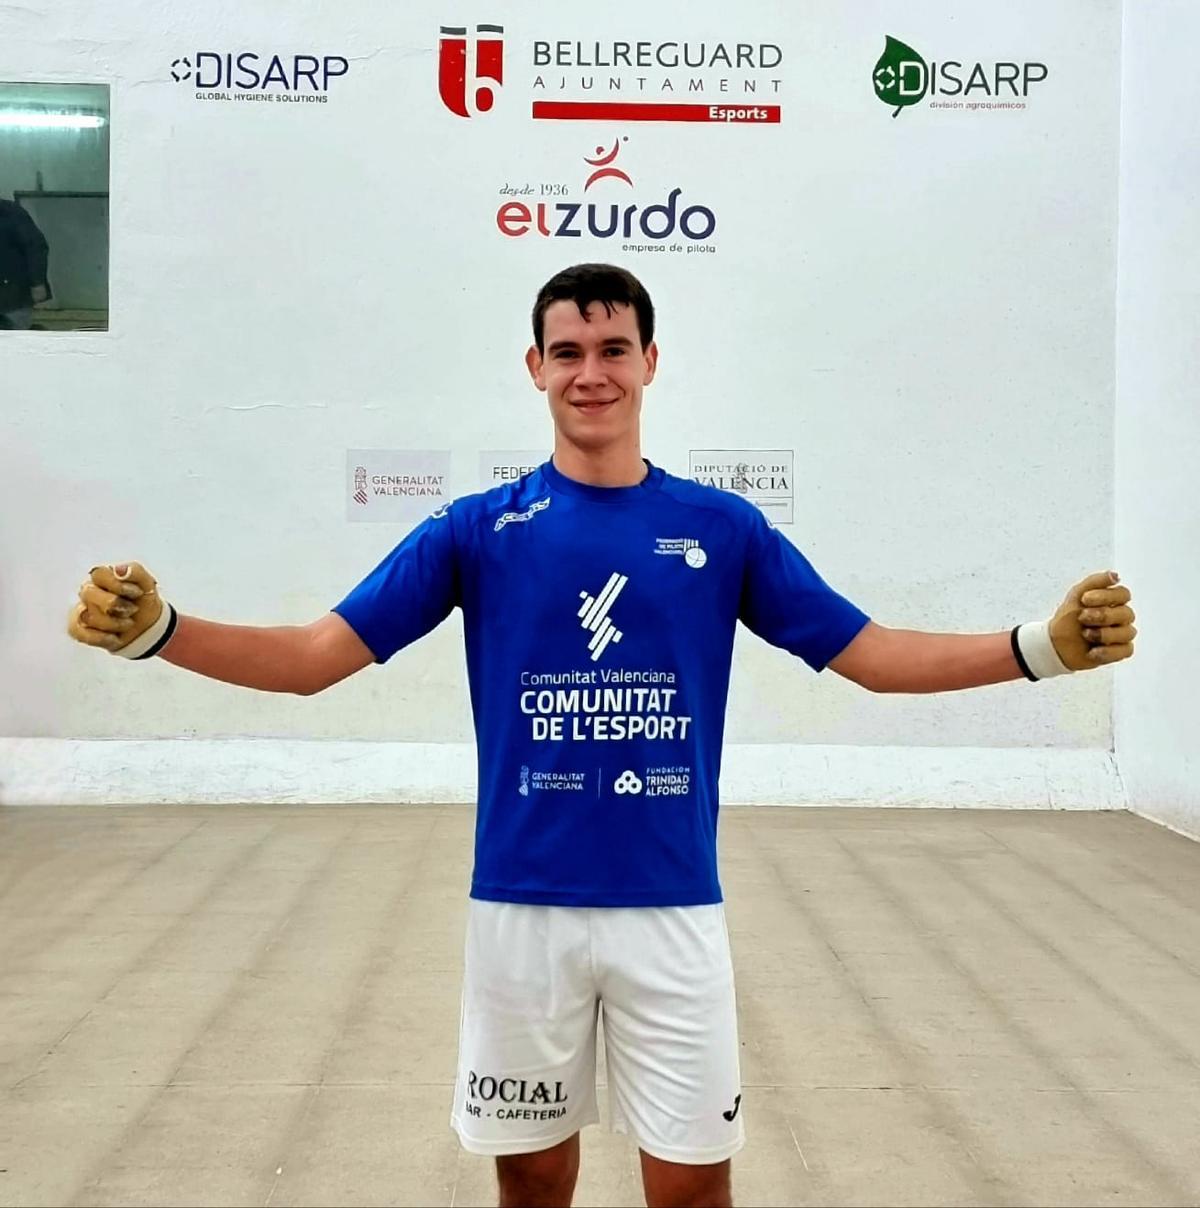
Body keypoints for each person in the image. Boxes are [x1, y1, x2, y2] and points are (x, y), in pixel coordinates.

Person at [66, 263, 1137, 1208]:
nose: (592, 371)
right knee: (529, 1178)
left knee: (692, 1182)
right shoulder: (474, 531)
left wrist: (1037, 647)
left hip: (673, 914)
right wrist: (161, 630)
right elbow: (310, 658)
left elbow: (871, 651)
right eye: (568, 350)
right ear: (533, 366)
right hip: (519, 915)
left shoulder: (724, 530)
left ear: (650, 361)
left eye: (613, 348)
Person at [0, 198, 51, 330]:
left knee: (15, 338)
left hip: (12, 296)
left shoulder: (10, 212)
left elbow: (35, 246)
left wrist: (37, 282)